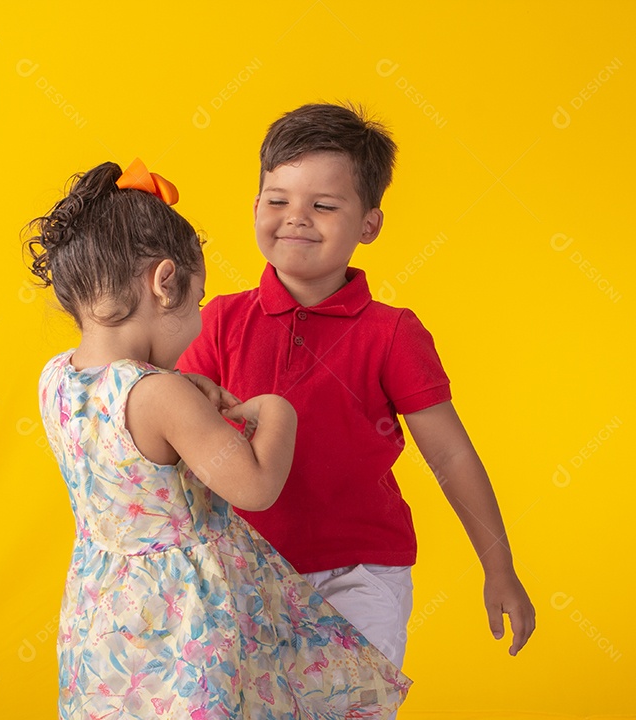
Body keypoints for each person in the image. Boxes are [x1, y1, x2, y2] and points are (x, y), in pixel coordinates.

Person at [26, 157, 410, 719]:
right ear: (164, 283)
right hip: (185, 616)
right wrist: (277, 411)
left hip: (107, 614)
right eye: (198, 300)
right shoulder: (159, 396)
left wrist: (183, 392)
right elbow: (254, 487)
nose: (201, 319)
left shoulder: (57, 378)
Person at [177, 104, 537, 685]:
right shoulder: (216, 321)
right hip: (237, 572)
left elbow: (449, 456)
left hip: (360, 573)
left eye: (323, 205)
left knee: (348, 704)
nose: (296, 218)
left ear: (368, 225)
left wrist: (500, 567)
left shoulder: (392, 333)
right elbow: (176, 442)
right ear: (255, 207)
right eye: (278, 200)